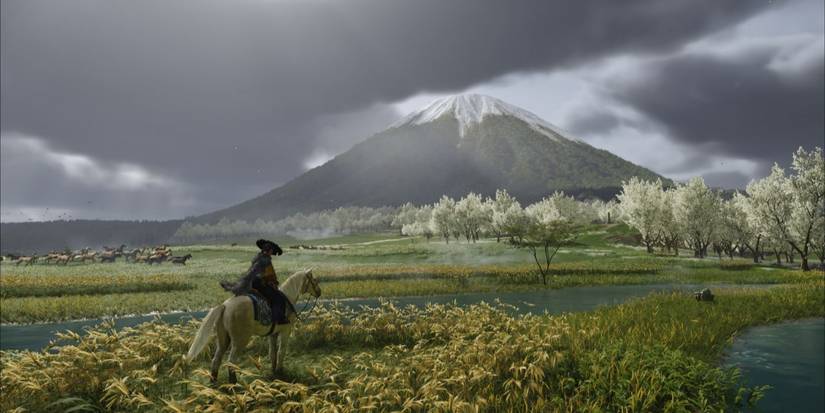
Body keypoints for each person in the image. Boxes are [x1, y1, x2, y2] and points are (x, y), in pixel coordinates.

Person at [220, 239, 294, 324]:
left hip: (252, 283)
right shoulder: (266, 260)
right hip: (260, 284)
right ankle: (278, 319)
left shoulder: (257, 257)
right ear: (269, 251)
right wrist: (272, 282)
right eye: (271, 251)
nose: (272, 253)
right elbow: (268, 276)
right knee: (278, 298)